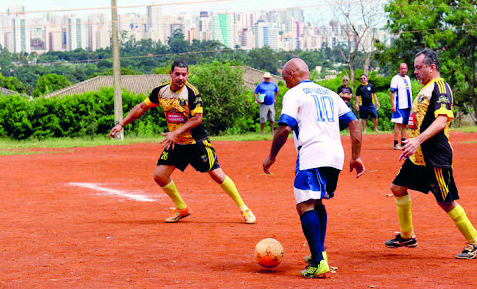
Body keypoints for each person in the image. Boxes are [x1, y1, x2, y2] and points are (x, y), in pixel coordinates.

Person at [109, 61, 256, 224]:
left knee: (217, 175)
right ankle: (182, 208)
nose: (181, 77)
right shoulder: (160, 92)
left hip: (196, 142)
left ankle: (244, 208)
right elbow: (141, 107)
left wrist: (176, 132)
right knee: (160, 176)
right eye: (177, 74)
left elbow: (197, 119)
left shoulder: (191, 93)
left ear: (187, 75)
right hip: (176, 143)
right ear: (170, 73)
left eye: (184, 74)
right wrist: (121, 124)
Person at [262, 58, 366, 278]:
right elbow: (354, 123)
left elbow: (284, 128)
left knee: (304, 205)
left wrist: (271, 156)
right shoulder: (330, 93)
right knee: (317, 201)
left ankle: (318, 263)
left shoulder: (294, 93)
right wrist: (355, 157)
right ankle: (320, 255)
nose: (286, 85)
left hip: (311, 154)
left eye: (285, 80)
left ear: (291, 75)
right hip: (335, 156)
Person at [385, 48, 477, 259]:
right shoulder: (426, 88)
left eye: (419, 67)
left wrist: (417, 140)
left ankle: (476, 242)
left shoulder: (440, 87)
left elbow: (442, 120)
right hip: (418, 155)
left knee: (445, 200)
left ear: (432, 67)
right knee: (397, 188)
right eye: (414, 68)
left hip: (435, 155)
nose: (415, 72)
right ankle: (407, 236)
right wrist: (411, 144)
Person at [390, 63, 412, 150]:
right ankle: (395, 143)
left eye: (405, 68)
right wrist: (393, 105)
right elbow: (392, 93)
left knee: (404, 125)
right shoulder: (395, 79)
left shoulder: (407, 78)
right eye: (402, 68)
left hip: (407, 105)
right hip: (399, 105)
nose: (403, 70)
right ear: (399, 69)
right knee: (398, 124)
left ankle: (403, 142)